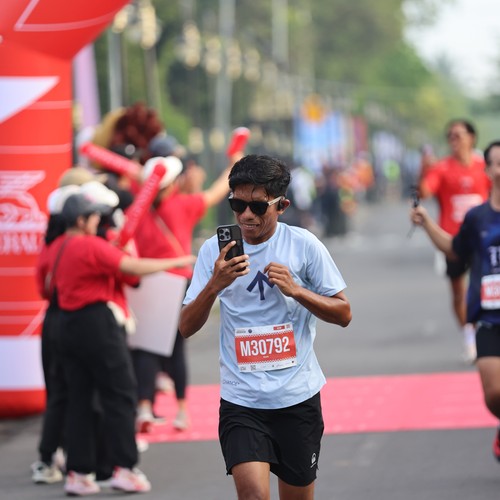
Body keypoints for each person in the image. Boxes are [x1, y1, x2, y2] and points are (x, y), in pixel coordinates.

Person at [179, 154, 352, 499]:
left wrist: (297, 290)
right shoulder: (215, 252)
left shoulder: (303, 245)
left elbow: (343, 312)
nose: (246, 215)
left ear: (282, 205)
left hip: (296, 398)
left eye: (257, 207)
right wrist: (214, 285)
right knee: (253, 495)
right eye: (237, 204)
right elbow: (185, 327)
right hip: (242, 400)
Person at [52, 192, 195, 496]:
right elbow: (131, 267)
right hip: (97, 324)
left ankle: (78, 473)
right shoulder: (90, 245)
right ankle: (125, 468)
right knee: (120, 394)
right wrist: (179, 261)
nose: (98, 220)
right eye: (94, 216)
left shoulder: (60, 247)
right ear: (81, 220)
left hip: (67, 325)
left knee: (79, 399)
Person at [132, 151, 243, 433]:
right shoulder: (181, 204)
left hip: (146, 281)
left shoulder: (137, 211)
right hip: (177, 280)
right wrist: (233, 164)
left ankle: (144, 406)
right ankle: (181, 410)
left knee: (147, 348)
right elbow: (216, 192)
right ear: (171, 183)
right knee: (176, 348)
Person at [410, 140, 500, 462]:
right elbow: (454, 249)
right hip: (489, 318)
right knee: (494, 394)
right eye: (497, 162)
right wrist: (426, 222)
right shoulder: (478, 218)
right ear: (487, 169)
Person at [418, 119, 491, 362]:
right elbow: (424, 191)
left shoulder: (485, 166)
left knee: (486, 287)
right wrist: (424, 169)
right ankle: (469, 337)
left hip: (484, 237)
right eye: (450, 136)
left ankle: (488, 331)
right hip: (452, 240)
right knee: (459, 293)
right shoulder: (441, 168)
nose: (454, 140)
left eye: (458, 135)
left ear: (472, 138)